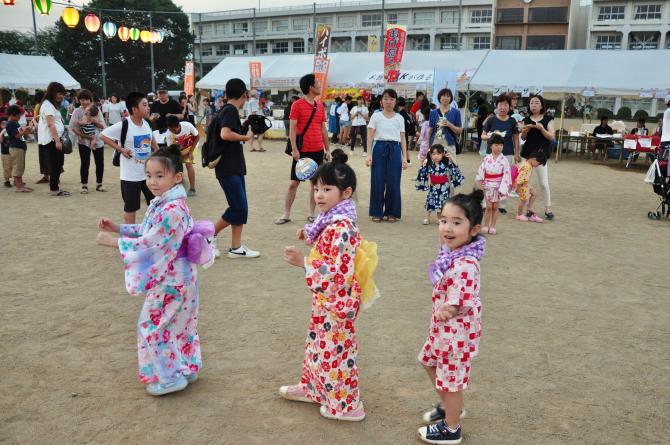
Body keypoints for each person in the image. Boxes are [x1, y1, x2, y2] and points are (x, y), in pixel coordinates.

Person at [95, 145, 202, 397]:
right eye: (149, 175)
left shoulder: (170, 209)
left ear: (177, 177)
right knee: (180, 325)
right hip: (182, 277)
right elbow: (148, 229)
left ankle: (169, 377)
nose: (152, 181)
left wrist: (112, 241)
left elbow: (150, 243)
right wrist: (119, 228)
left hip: (170, 280)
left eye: (159, 175)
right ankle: (186, 366)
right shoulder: (169, 203)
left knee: (153, 326)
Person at [280, 150, 366, 421]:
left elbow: (338, 272)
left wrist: (303, 262)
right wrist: (310, 235)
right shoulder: (330, 220)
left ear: (346, 193)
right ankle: (314, 387)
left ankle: (348, 406)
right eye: (316, 188)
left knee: (336, 351)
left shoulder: (342, 226)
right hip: (326, 301)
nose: (319, 195)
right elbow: (327, 248)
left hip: (337, 301)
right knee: (318, 344)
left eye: (327, 189)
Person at [417, 189, 486, 445]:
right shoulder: (449, 253)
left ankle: (452, 427)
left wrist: (450, 309)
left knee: (451, 381)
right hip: (444, 330)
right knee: (428, 361)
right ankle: (449, 406)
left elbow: (461, 296)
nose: (447, 227)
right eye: (444, 220)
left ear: (474, 229)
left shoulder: (466, 263)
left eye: (457, 223)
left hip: (456, 334)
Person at [211, 78, 260, 259]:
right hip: (228, 168)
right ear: (244, 94)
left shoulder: (227, 110)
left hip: (232, 167)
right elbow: (225, 134)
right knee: (238, 207)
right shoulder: (230, 110)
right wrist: (246, 137)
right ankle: (210, 234)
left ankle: (236, 247)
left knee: (241, 207)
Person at [275, 73, 330, 225]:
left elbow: (323, 129)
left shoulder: (319, 106)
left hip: (317, 149)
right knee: (294, 183)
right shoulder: (297, 105)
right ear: (311, 87)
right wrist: (294, 149)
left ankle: (312, 214)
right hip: (302, 150)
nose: (320, 85)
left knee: (315, 184)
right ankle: (286, 214)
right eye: (317, 83)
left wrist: (328, 149)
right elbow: (292, 128)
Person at [101, 92, 158, 223]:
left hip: (148, 175)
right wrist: (120, 149)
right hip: (130, 176)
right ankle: (131, 239)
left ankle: (153, 233)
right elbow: (103, 135)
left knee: (155, 205)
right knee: (131, 208)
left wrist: (157, 150)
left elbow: (151, 137)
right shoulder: (124, 125)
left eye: (148, 104)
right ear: (134, 109)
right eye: (144, 105)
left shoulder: (147, 123)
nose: (148, 107)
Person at [366, 88, 408, 222]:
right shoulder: (376, 116)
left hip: (395, 150)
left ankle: (392, 212)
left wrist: (405, 157)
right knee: (377, 180)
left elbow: (403, 138)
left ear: (395, 102)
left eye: (391, 99)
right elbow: (370, 137)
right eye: (386, 99)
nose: (388, 102)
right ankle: (377, 212)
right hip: (379, 148)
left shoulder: (400, 118)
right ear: (381, 101)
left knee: (393, 182)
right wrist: (368, 155)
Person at [482, 94, 520, 214]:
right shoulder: (491, 120)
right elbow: (483, 136)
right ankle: (485, 202)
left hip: (507, 153)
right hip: (491, 154)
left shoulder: (512, 121)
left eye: (506, 105)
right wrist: (491, 135)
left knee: (505, 178)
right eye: (501, 105)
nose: (503, 107)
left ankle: (502, 204)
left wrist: (517, 153)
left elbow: (516, 138)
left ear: (509, 107)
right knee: (488, 178)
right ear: (496, 106)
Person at [521, 95, 556, 220]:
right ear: (529, 106)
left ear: (541, 105)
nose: (534, 105)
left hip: (540, 155)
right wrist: (525, 131)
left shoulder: (548, 119)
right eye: (531, 103)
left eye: (536, 103)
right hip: (527, 154)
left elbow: (551, 136)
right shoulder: (526, 119)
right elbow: (523, 138)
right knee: (526, 183)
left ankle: (548, 208)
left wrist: (541, 128)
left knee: (544, 183)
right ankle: (527, 209)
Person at [416, 144, 464, 225]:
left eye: (438, 154)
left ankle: (440, 218)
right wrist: (422, 162)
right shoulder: (429, 163)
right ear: (430, 155)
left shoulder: (446, 163)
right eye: (433, 154)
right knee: (430, 201)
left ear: (443, 154)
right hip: (433, 186)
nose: (436, 156)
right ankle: (427, 217)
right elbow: (422, 171)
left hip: (444, 186)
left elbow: (455, 167)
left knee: (442, 202)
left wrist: (451, 157)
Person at [70, 90, 107, 194]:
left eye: (86, 99)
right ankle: (84, 185)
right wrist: (84, 136)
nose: (84, 102)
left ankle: (99, 184)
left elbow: (103, 127)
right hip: (83, 142)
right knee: (85, 163)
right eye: (82, 99)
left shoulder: (97, 110)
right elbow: (72, 126)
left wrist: (95, 121)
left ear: (90, 100)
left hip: (98, 140)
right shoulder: (77, 111)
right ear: (79, 100)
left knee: (100, 163)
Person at [475, 134, 512, 235]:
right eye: (496, 145)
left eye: (501, 145)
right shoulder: (487, 158)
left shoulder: (504, 160)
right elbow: (482, 171)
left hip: (498, 186)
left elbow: (507, 174)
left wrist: (504, 187)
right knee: (488, 207)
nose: (499, 147)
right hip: (488, 185)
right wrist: (481, 182)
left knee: (496, 207)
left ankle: (493, 226)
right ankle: (486, 225)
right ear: (490, 146)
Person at [38, 82, 69, 196]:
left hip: (52, 139)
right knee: (57, 164)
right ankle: (54, 189)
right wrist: (57, 140)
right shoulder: (48, 105)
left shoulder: (50, 105)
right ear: (52, 92)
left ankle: (55, 188)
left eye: (62, 94)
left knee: (57, 164)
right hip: (51, 140)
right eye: (59, 93)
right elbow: (51, 124)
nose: (61, 96)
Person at [166, 115, 198, 197]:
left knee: (188, 164)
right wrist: (179, 154)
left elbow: (197, 137)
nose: (172, 131)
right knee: (175, 165)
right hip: (178, 150)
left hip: (191, 146)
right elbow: (171, 149)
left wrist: (190, 152)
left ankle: (192, 188)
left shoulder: (187, 126)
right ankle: (177, 183)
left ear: (178, 126)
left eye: (173, 129)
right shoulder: (169, 133)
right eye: (170, 129)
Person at [427, 88, 462, 157]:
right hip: (435, 142)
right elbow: (430, 130)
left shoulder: (456, 112)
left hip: (449, 142)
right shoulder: (433, 113)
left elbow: (459, 131)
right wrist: (428, 143)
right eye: (443, 96)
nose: (446, 98)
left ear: (451, 99)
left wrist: (449, 125)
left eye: (448, 96)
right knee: (435, 165)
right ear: (439, 97)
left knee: (451, 164)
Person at [6, 105, 33, 193]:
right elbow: (17, 135)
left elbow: (20, 133)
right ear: (12, 114)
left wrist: (28, 128)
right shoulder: (10, 124)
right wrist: (25, 130)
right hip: (16, 148)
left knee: (20, 167)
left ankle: (21, 185)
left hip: (19, 147)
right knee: (17, 167)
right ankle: (18, 187)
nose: (19, 117)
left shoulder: (15, 123)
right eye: (18, 115)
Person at [515, 151, 547, 223]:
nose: (537, 166)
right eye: (538, 163)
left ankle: (530, 210)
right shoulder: (527, 166)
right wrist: (518, 188)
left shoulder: (527, 163)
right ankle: (519, 215)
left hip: (526, 185)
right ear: (534, 159)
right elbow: (520, 178)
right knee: (524, 200)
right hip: (522, 185)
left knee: (534, 193)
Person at [397, 97, 416, 164]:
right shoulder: (406, 112)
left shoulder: (400, 113)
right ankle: (408, 161)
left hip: (402, 132)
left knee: (403, 146)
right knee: (405, 146)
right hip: (406, 131)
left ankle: (406, 161)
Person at [0, 118, 10, 188]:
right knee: (6, 167)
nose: (5, 125)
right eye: (3, 123)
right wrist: (1, 134)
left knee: (14, 166)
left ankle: (16, 180)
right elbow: (0, 142)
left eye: (6, 123)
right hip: (5, 152)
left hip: (13, 150)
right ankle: (7, 181)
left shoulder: (11, 130)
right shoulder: (1, 132)